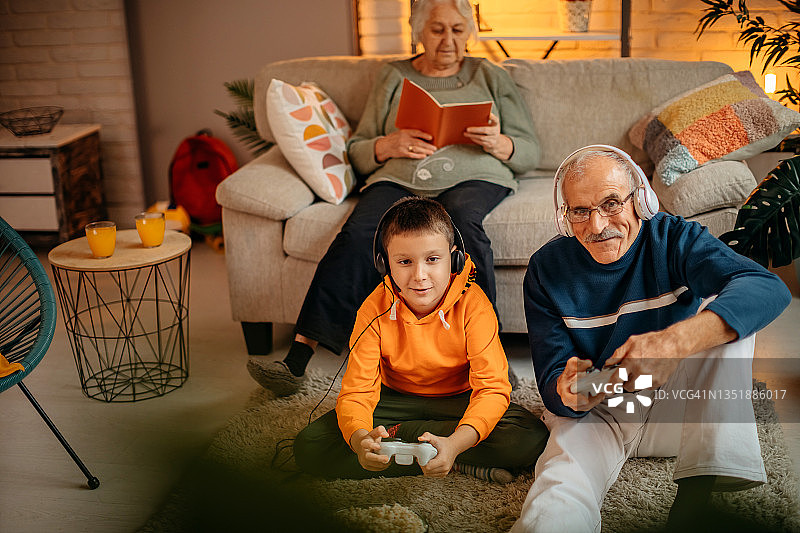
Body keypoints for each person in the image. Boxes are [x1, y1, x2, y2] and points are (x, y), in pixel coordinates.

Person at [248, 0, 540, 396]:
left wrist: (500, 142)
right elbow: (358, 148)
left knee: (460, 225)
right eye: (438, 30)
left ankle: (488, 359)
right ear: (418, 31)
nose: (449, 40)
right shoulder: (394, 75)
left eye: (457, 29)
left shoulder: (489, 74)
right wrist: (388, 144)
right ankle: (297, 359)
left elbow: (529, 151)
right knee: (359, 234)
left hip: (474, 176)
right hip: (401, 177)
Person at [511, 145, 792, 532]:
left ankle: (696, 500)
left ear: (641, 199)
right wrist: (570, 392)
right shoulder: (546, 269)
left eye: (611, 203)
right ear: (566, 216)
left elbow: (767, 288)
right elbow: (551, 379)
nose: (596, 226)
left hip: (681, 410)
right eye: (580, 211)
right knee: (558, 489)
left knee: (728, 313)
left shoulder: (676, 239)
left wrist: (673, 343)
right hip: (603, 412)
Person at [292, 197, 548, 482]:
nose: (419, 275)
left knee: (530, 437)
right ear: (383, 263)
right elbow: (357, 392)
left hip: (458, 399)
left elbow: (492, 389)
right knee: (309, 446)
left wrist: (457, 442)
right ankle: (453, 460)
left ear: (454, 258)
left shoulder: (475, 306)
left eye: (433, 259)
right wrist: (360, 441)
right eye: (404, 262)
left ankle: (429, 450)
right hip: (394, 400)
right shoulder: (373, 309)